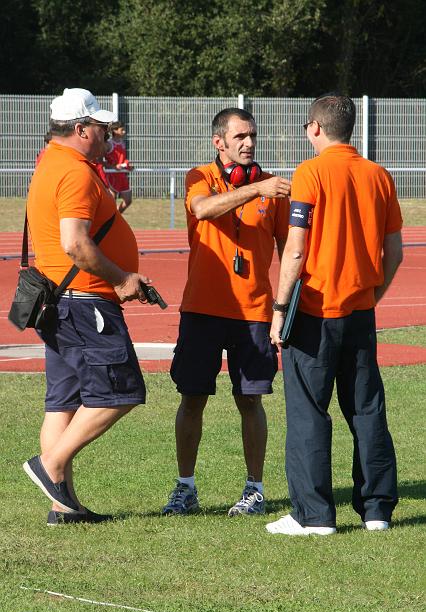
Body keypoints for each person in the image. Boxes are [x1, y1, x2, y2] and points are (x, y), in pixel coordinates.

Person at [267, 94, 403, 536]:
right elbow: (395, 253)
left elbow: (296, 247)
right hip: (360, 312)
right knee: (367, 410)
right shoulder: (378, 175)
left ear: (315, 128)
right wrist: (370, 295)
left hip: (314, 311)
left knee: (308, 412)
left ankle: (314, 515)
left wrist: (280, 307)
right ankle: (377, 510)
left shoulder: (310, 172)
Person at [23, 88, 151, 526]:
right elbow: (75, 243)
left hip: (60, 300)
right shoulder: (75, 172)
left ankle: (64, 506)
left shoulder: (50, 165)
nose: (107, 133)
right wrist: (123, 279)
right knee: (122, 391)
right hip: (84, 300)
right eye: (99, 126)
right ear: (80, 130)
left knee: (62, 401)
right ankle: (49, 466)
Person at [162, 107, 291, 516]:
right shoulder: (198, 176)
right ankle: (186, 488)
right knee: (192, 397)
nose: (249, 143)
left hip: (253, 311)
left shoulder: (274, 191)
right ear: (219, 142)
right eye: (240, 137)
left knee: (250, 400)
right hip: (202, 308)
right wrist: (256, 190)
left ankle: (254, 489)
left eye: (252, 135)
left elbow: (290, 251)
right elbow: (202, 209)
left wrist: (281, 308)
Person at [104, 121, 134, 214]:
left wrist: (128, 165)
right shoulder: (109, 144)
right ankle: (112, 221)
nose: (124, 132)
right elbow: (100, 160)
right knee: (112, 202)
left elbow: (123, 159)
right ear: (115, 131)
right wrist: (113, 166)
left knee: (128, 200)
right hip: (112, 176)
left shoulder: (122, 143)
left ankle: (117, 216)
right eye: (122, 130)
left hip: (121, 175)